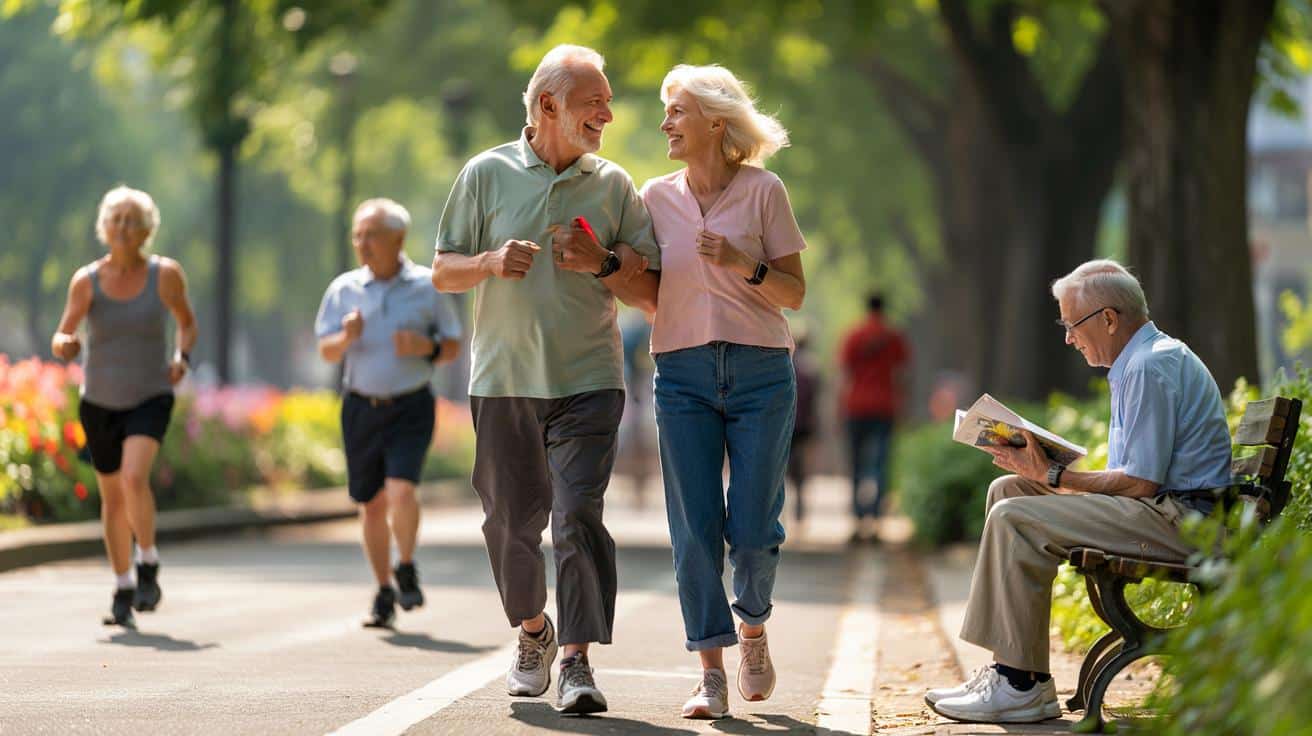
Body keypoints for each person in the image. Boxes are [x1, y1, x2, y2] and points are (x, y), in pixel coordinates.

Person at [431, 45, 658, 715]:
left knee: (577, 515)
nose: (608, 115)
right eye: (596, 104)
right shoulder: (485, 173)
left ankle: (577, 662)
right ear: (547, 106)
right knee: (509, 525)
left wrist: (603, 260)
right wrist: (490, 261)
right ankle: (534, 631)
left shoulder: (614, 185)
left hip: (589, 380)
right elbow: (442, 269)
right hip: (502, 382)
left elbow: (651, 292)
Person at [925, 260, 1232, 723]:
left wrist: (1052, 475)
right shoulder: (1142, 360)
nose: (1068, 337)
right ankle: (1016, 674)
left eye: (1073, 324)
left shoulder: (1149, 367)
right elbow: (1136, 477)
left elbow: (1139, 482)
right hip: (1165, 509)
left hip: (1181, 522)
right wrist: (1043, 469)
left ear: (1109, 318)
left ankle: (1018, 685)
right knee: (1010, 491)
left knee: (1015, 515)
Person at [639, 64, 806, 720]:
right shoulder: (654, 198)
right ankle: (710, 671)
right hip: (680, 374)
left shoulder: (765, 192)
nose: (665, 124)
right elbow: (638, 281)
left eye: (676, 111)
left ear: (714, 119)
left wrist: (743, 262)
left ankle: (754, 629)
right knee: (694, 526)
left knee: (756, 527)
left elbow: (793, 292)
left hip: (762, 371)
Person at [51, 185, 198, 627]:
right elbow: (63, 334)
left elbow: (187, 324)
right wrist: (66, 344)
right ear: (104, 227)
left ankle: (147, 561)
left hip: (150, 395)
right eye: (116, 219)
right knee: (112, 498)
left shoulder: (165, 275)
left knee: (134, 478)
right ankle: (122, 586)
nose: (123, 227)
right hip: (99, 401)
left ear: (147, 230)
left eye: (132, 220)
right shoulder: (87, 280)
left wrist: (181, 358)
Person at [315, 198, 462, 628]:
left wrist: (425, 347)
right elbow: (324, 349)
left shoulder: (427, 285)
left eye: (371, 235)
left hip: (411, 403)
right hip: (360, 405)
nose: (362, 243)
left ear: (398, 239)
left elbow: (452, 344)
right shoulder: (344, 289)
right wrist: (344, 338)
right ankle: (383, 590)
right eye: (358, 235)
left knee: (401, 490)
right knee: (372, 504)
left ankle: (408, 564)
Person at [839, 293, 909, 542]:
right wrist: (902, 406)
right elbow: (901, 374)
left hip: (856, 407)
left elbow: (844, 376)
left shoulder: (853, 335)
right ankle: (877, 522)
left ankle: (859, 521)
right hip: (884, 407)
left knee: (857, 464)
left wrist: (839, 408)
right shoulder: (894, 337)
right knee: (880, 465)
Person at [788, 329, 820, 524]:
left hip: (787, 421)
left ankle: (783, 507)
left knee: (783, 465)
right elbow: (815, 398)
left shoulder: (786, 363)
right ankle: (799, 504)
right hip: (806, 424)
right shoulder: (812, 368)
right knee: (802, 466)